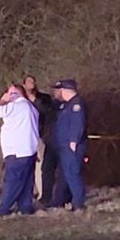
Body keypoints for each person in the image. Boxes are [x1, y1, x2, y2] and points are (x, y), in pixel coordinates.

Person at [0, 83, 40, 216]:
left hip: (16, 151)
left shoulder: (16, 106)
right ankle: (25, 208)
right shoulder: (32, 108)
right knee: (26, 182)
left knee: (12, 181)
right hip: (29, 150)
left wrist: (3, 100)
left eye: (11, 93)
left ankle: (3, 209)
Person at [48, 79, 88, 211]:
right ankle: (59, 201)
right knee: (63, 175)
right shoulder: (65, 105)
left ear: (65, 90)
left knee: (73, 174)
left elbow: (78, 123)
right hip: (63, 146)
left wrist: (74, 141)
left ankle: (78, 203)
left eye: (60, 90)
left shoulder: (77, 104)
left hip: (71, 146)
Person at [27, 74, 57, 202]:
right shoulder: (19, 99)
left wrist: (35, 101)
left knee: (41, 166)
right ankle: (28, 192)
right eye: (29, 82)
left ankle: (41, 193)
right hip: (24, 138)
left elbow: (48, 113)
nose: (32, 84)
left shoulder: (44, 98)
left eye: (33, 82)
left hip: (39, 135)